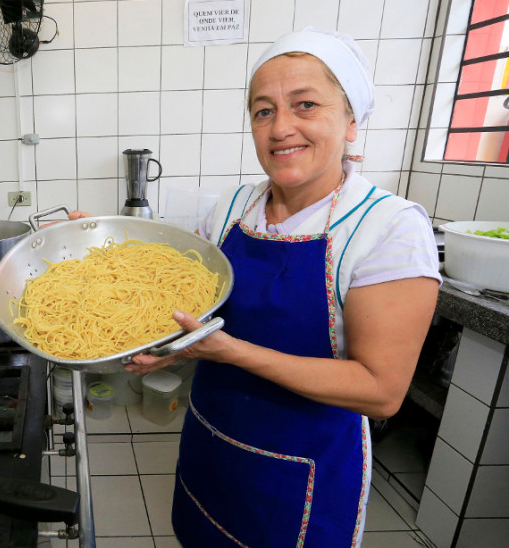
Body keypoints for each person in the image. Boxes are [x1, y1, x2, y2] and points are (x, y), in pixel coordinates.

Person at [64, 28, 442, 546]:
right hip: (211, 445)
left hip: (302, 473)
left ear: (351, 120)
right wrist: (99, 255)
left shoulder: (389, 227)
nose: (281, 127)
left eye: (305, 105)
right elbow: (176, 297)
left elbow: (381, 391)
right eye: (263, 111)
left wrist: (230, 353)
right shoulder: (233, 206)